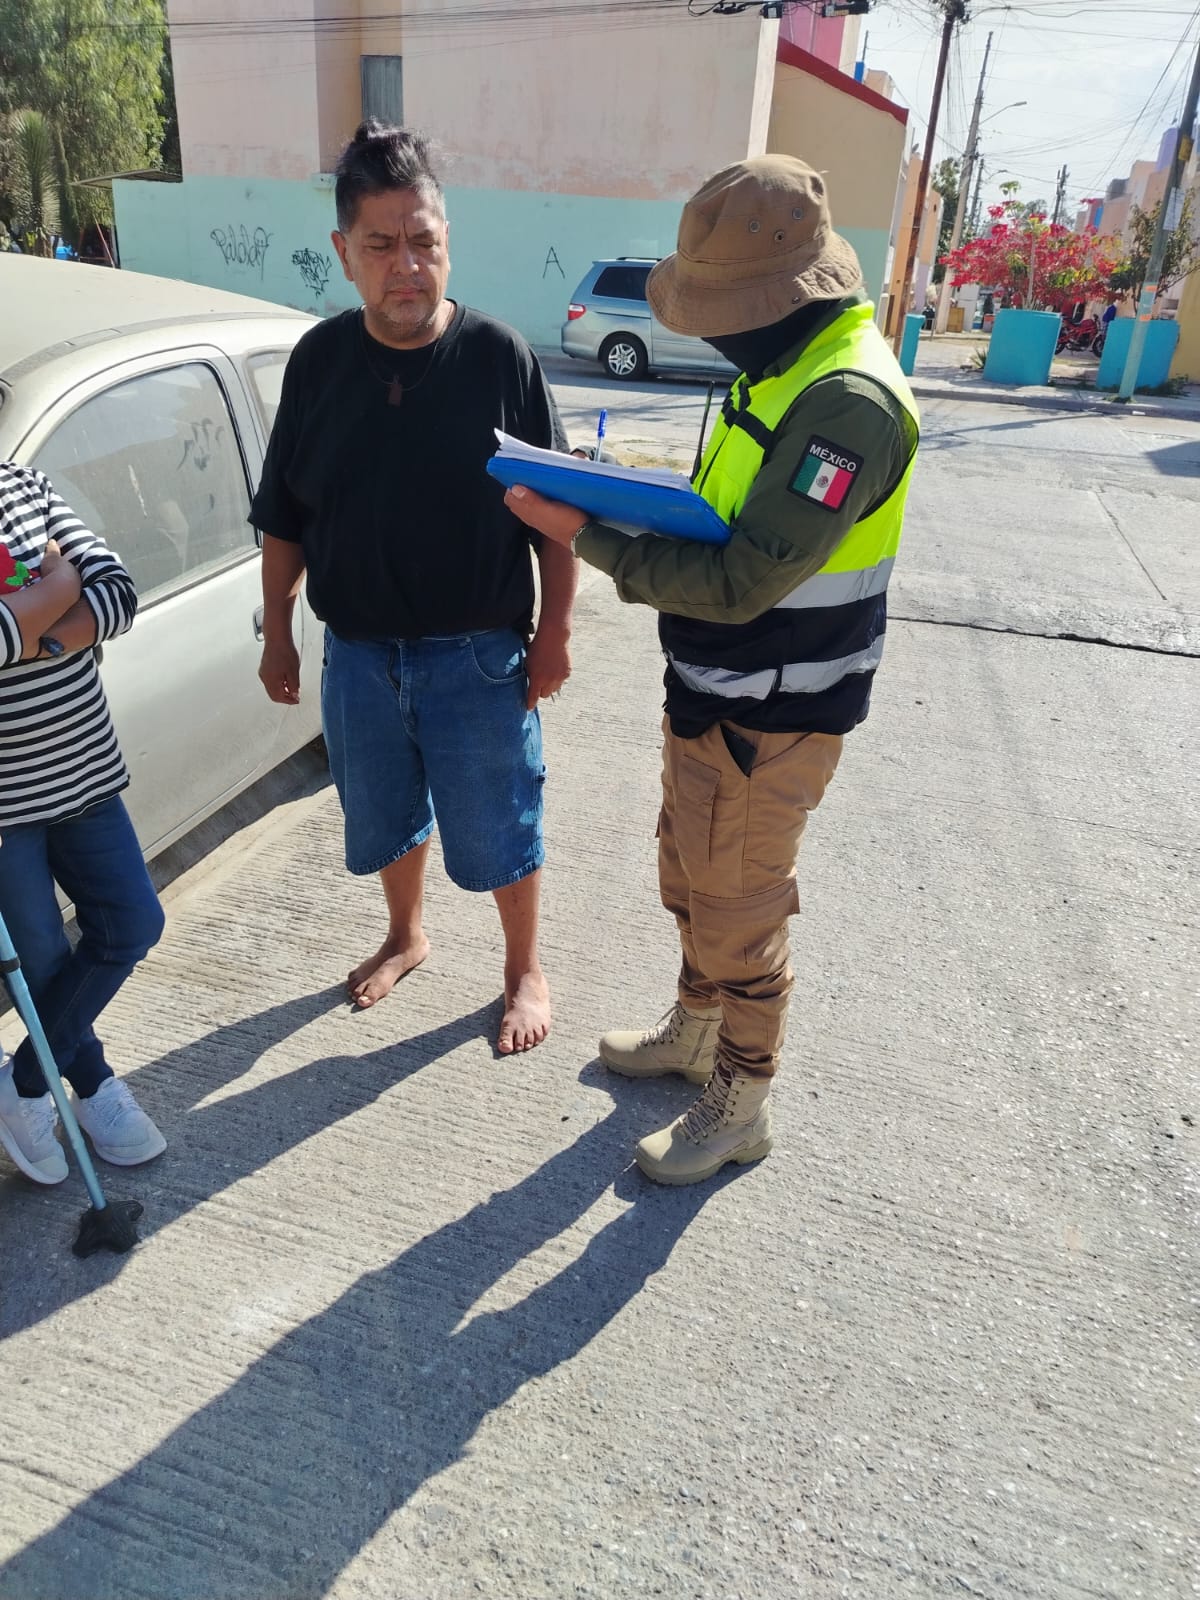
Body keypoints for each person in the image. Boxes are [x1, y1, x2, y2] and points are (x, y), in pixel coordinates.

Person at [505, 156, 920, 1184]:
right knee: (690, 875)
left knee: (739, 909)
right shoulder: (781, 365)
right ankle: (697, 1030)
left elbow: (740, 580)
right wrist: (613, 492)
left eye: (721, 313)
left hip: (776, 709)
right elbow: (723, 513)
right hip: (715, 690)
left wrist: (584, 533)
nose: (711, 333)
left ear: (784, 296)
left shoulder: (849, 402)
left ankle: (742, 1096)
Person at [250, 122, 577, 1055]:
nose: (407, 266)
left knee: (503, 823)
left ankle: (523, 968)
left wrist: (554, 635)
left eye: (423, 242)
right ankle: (406, 935)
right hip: (358, 658)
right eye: (383, 244)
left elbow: (559, 521)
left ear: (447, 241)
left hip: (478, 659)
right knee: (388, 819)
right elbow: (285, 517)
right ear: (344, 252)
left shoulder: (500, 359)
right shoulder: (318, 363)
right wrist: (277, 631)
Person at [0, 463, 166, 1186]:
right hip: (5, 811)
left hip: (85, 775)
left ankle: (24, 1084)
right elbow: (76, 588)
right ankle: (93, 1084)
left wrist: (39, 632)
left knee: (132, 924)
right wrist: (59, 587)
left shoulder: (25, 486)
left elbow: (119, 592)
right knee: (41, 964)